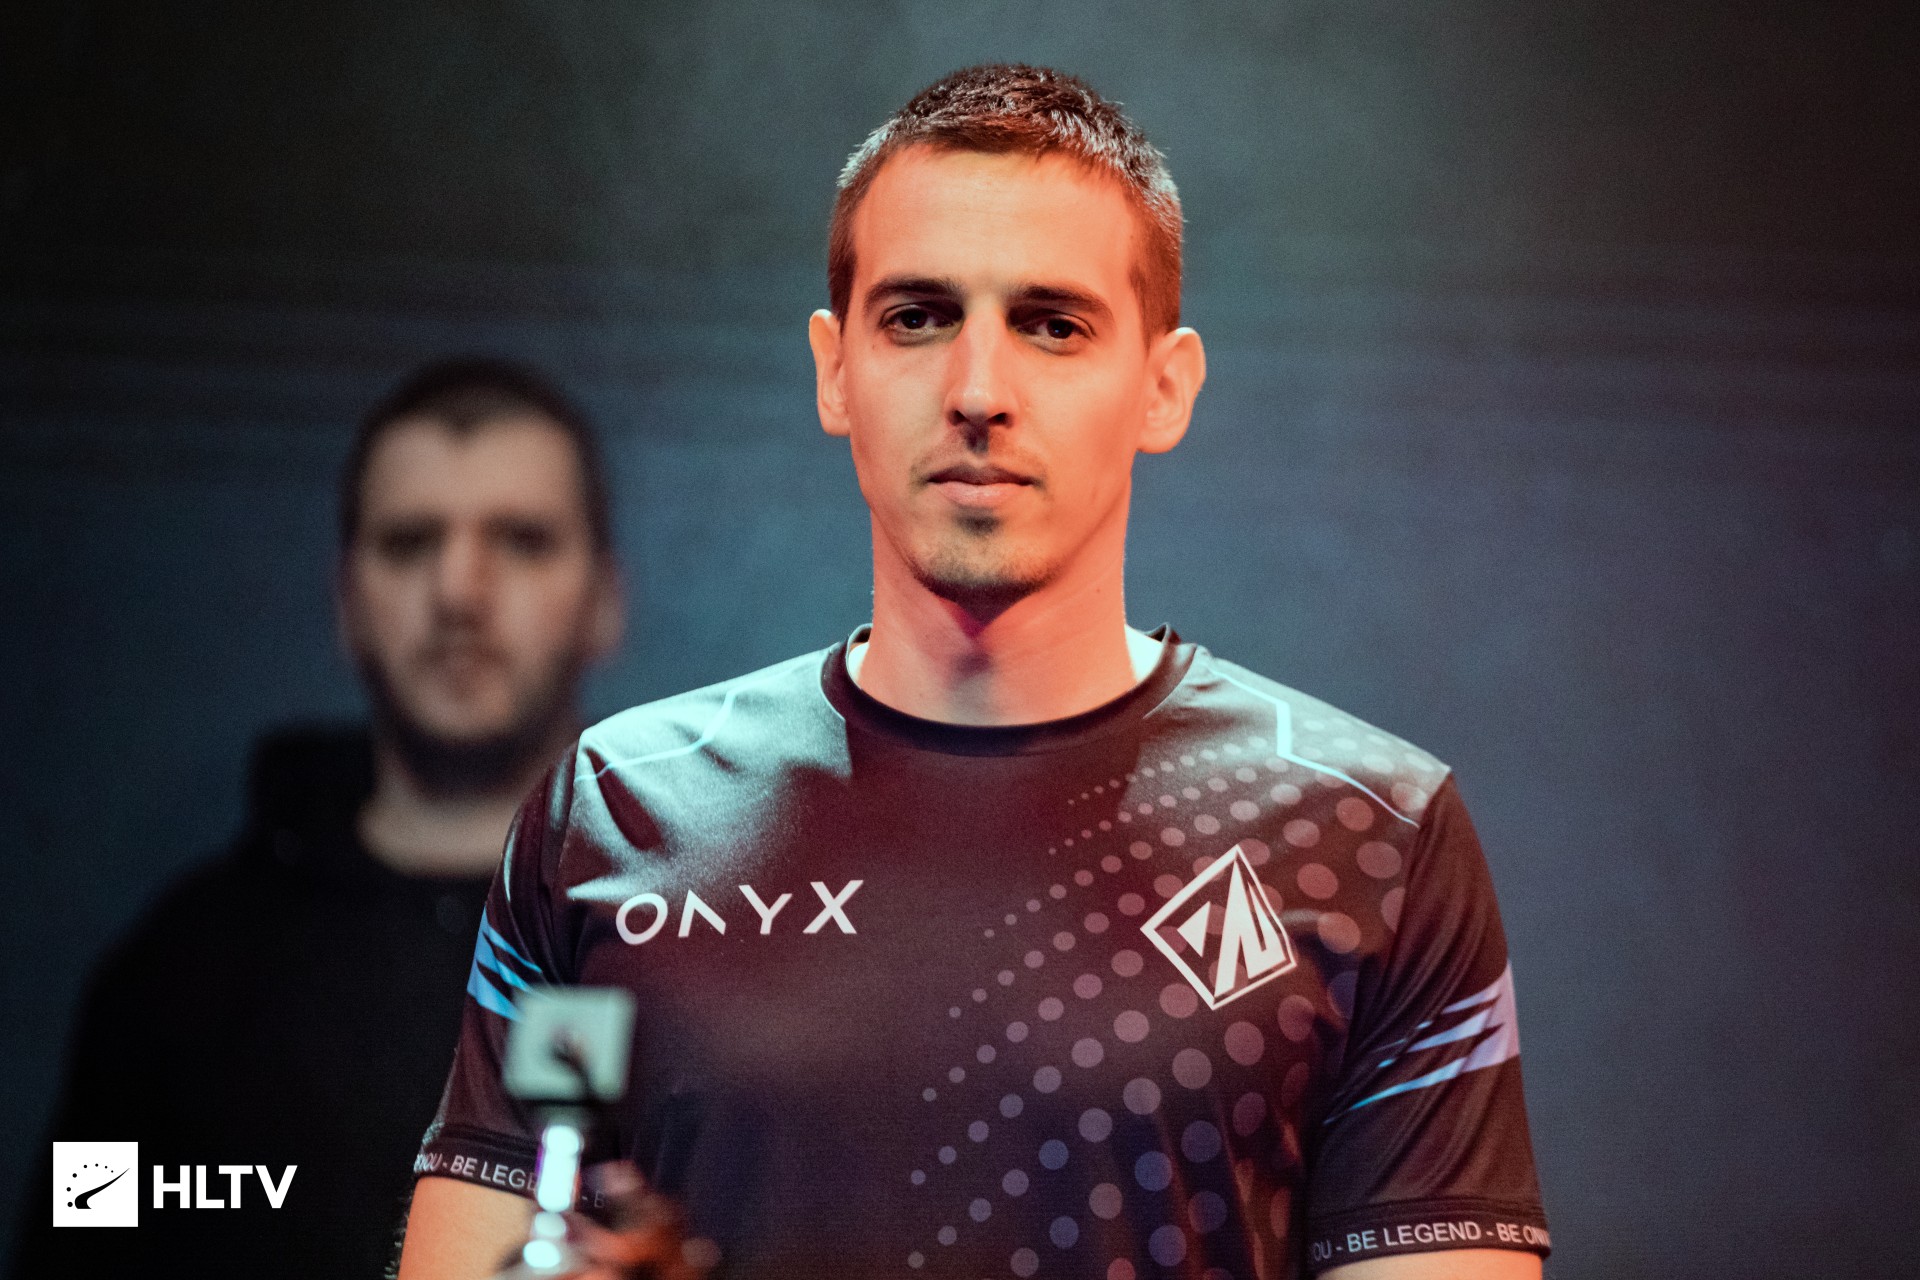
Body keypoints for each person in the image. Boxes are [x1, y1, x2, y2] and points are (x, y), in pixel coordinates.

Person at [399, 66, 1550, 1280]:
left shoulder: (1370, 833)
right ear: (834, 369)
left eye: (1053, 324)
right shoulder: (612, 809)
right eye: (918, 317)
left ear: (1165, 385)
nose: (979, 392)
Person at [10, 357, 625, 1280]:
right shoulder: (186, 969)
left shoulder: (705, 939)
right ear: (346, 601)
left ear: (605, 602)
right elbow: (81, 1231)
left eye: (523, 540)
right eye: (409, 542)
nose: (459, 591)